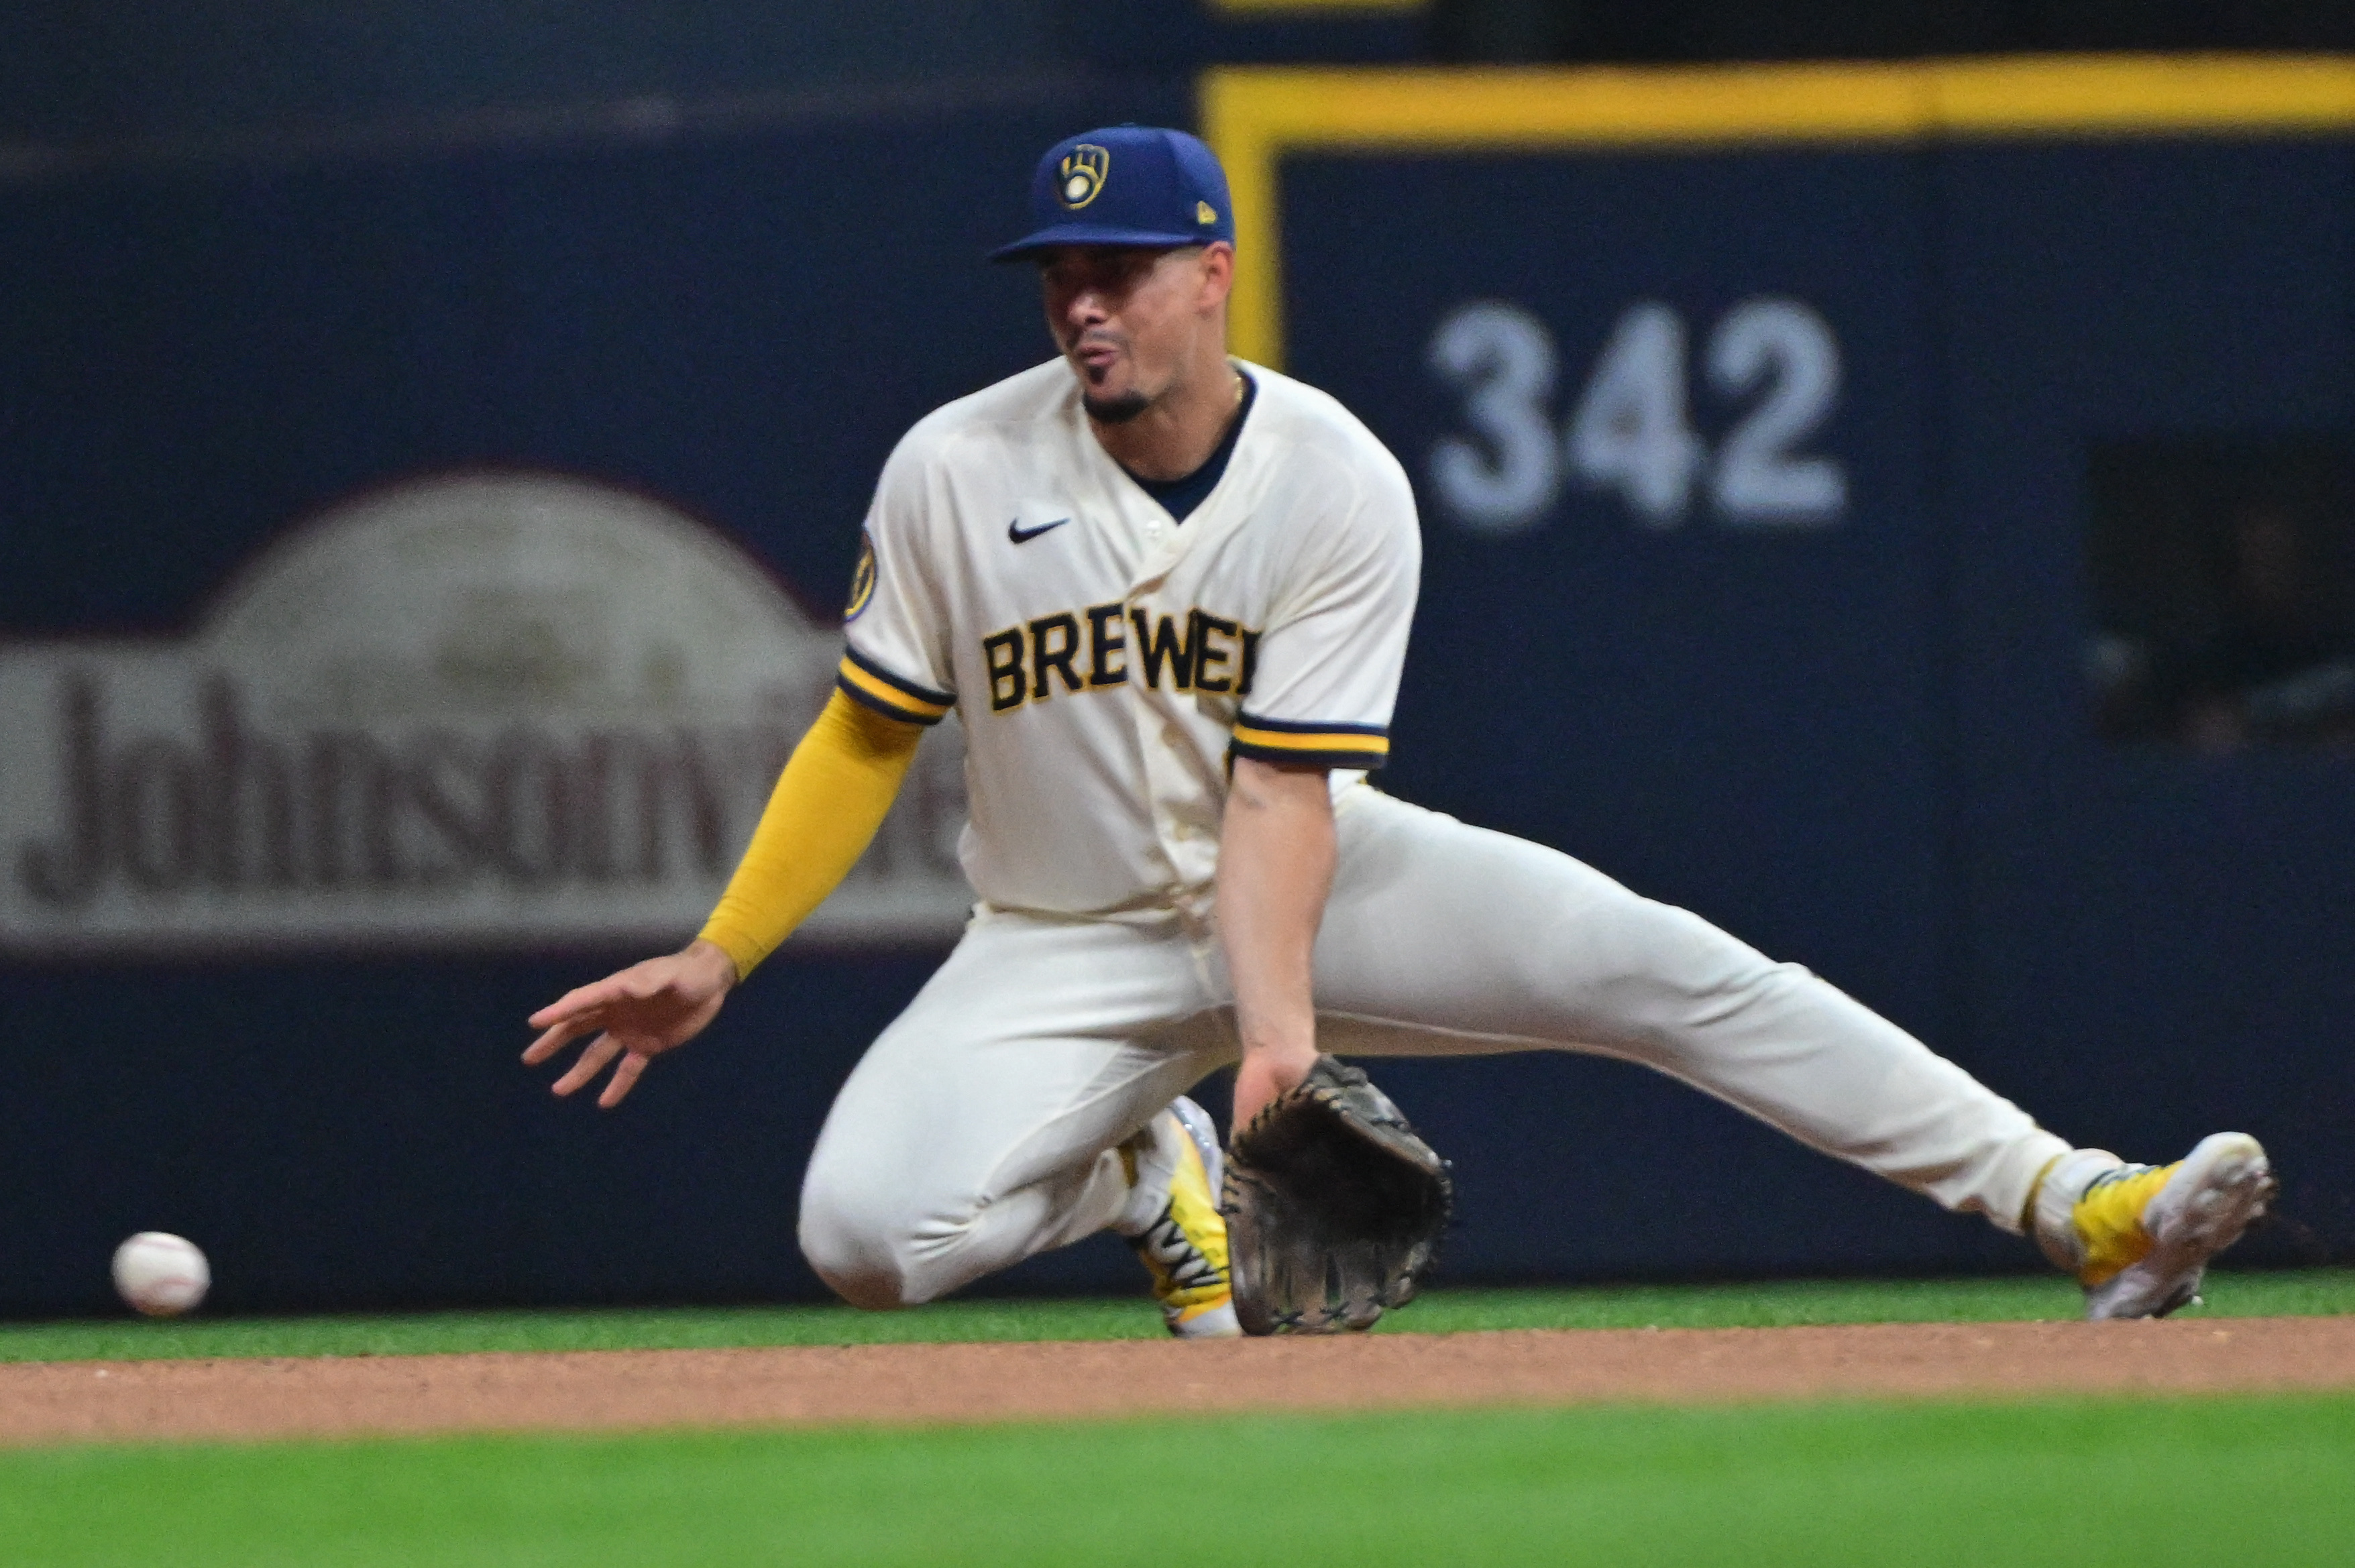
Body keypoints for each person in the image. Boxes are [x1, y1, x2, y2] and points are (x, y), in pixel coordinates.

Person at [525, 125, 2271, 1334]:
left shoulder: (1334, 477)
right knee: (863, 1243)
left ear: (1212, 271)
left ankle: (2079, 1202)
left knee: (1672, 968)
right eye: (1059, 270)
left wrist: (1274, 1032)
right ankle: (1146, 1170)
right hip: (1056, 938)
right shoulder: (953, 466)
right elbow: (865, 728)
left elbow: (1285, 797)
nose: (1083, 304)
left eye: (1121, 265)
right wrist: (726, 950)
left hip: (1320, 881)